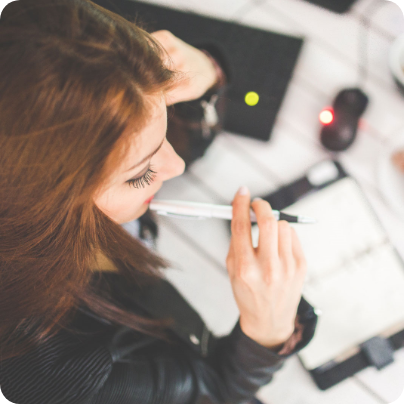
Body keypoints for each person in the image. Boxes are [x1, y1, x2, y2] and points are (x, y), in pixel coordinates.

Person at [0, 1, 318, 403]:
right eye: (141, 174)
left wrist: (207, 71)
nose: (177, 165)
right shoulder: (52, 371)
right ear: (45, 205)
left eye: (163, 118)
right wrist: (266, 332)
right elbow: (214, 392)